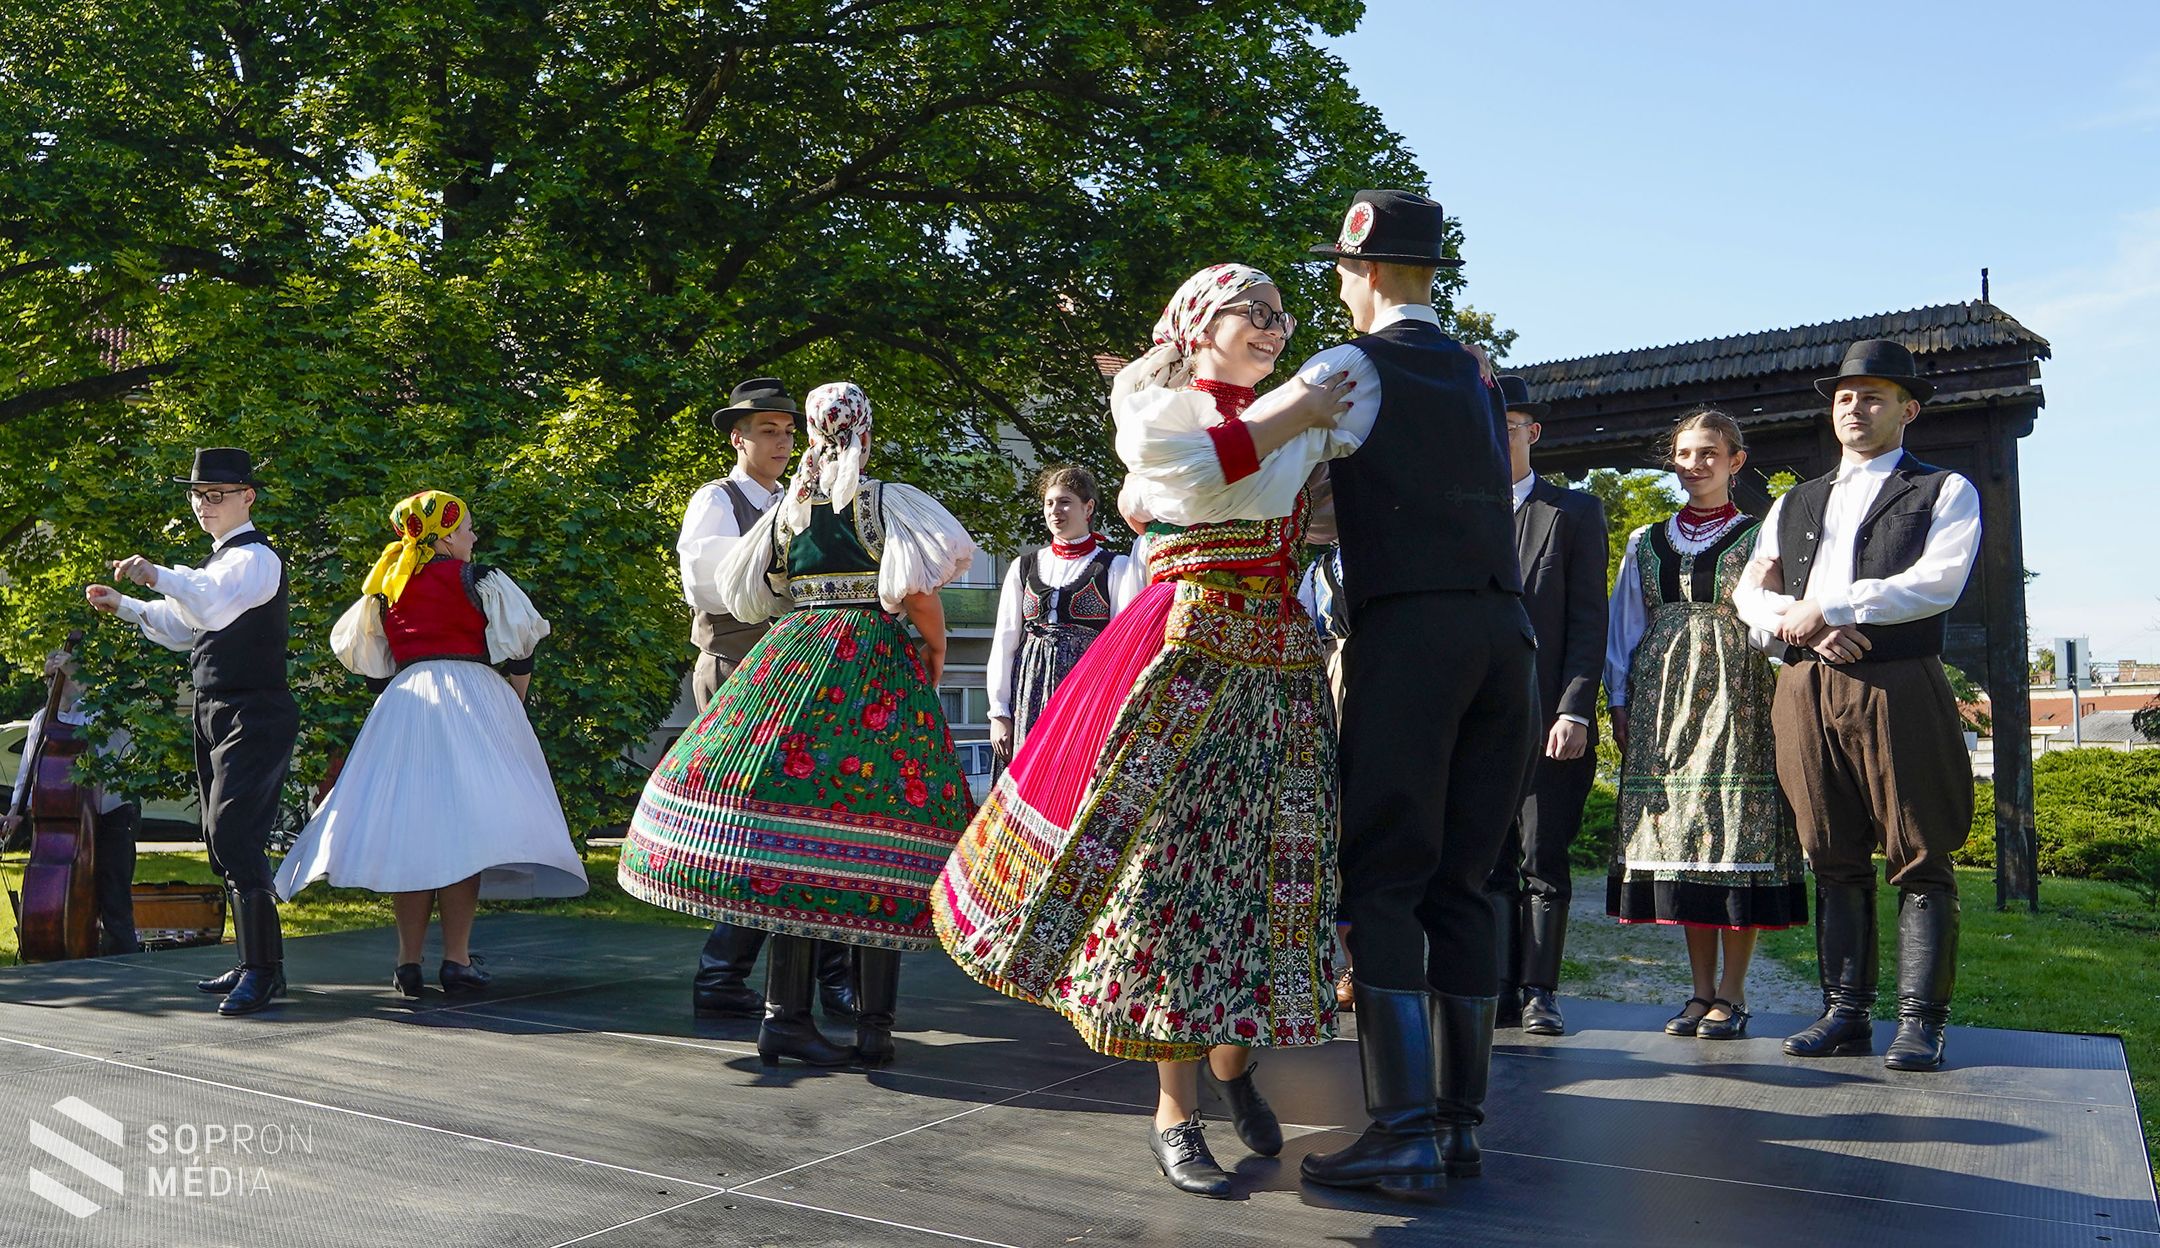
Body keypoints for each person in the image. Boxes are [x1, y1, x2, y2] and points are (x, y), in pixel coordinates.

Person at [935, 263, 1355, 1200]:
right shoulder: (1164, 414)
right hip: (1189, 655)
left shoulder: (1295, 419)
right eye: (1254, 312)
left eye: (1283, 316)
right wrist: (1305, 410)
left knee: (1266, 871)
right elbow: (1213, 470)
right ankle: (1174, 1109)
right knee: (1169, 871)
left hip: (1281, 664)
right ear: (1199, 324)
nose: (1275, 327)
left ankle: (1234, 1063)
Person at [1288, 190, 1538, 1196]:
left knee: (1386, 875)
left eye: (1343, 272)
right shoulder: (1477, 370)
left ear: (1365, 271)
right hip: (1504, 635)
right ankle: (1457, 1128)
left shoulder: (1347, 366)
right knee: (1465, 881)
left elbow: (1268, 465)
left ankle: (1399, 1132)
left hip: (1413, 632)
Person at [620, 381, 976, 1070]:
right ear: (864, 431)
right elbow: (916, 592)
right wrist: (934, 648)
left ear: (812, 432)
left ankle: (784, 1016)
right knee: (881, 827)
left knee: (791, 838)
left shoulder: (789, 508)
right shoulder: (885, 501)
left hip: (792, 662)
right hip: (871, 666)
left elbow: (753, 593)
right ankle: (873, 1025)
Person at [1733, 339, 1980, 1072]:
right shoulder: (1795, 501)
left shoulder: (1943, 490)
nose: (1854, 408)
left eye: (1873, 397)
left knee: (1919, 850)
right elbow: (1749, 591)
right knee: (1830, 851)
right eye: (1845, 397)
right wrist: (1801, 623)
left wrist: (1832, 605)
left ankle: (1921, 1023)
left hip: (1897, 683)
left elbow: (1939, 581)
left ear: (1908, 410)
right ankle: (1844, 1014)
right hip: (1804, 685)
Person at [274, 490, 588, 996]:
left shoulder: (386, 589)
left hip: (407, 704)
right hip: (473, 700)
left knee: (412, 831)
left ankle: (408, 962)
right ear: (444, 537)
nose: (473, 537)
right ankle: (457, 959)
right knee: (464, 833)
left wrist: (401, 698)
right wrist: (514, 700)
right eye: (466, 528)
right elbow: (521, 648)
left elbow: (373, 667)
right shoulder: (481, 579)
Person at [1605, 409, 1806, 1041]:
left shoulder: (1759, 537)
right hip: (1661, 698)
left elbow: (1773, 616)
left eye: (1709, 453)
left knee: (1732, 836)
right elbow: (1625, 625)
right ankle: (1698, 992)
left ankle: (1733, 992)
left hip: (1736, 691)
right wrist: (1619, 699)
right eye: (1685, 454)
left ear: (1735, 461)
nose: (1695, 465)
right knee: (1684, 838)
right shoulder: (1645, 541)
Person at [87, 448, 298, 1016]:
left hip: (254, 710)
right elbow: (185, 626)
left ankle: (263, 971)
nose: (204, 504)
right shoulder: (214, 567)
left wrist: (157, 574)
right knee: (218, 837)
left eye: (216, 495)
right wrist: (126, 605)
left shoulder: (255, 559)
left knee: (234, 833)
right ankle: (256, 961)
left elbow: (205, 599)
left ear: (247, 497)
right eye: (198, 495)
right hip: (215, 708)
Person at [676, 378, 858, 1025]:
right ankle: (734, 975)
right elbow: (713, 586)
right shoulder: (717, 499)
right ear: (738, 437)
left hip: (794, 676)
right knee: (761, 827)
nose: (782, 442)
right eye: (767, 431)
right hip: (738, 670)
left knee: (803, 822)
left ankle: (778, 975)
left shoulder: (799, 498)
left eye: (788, 431)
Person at [1487, 375, 1609, 1036]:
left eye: (1508, 425)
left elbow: (1589, 620)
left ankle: (1539, 991)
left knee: (1542, 858)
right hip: (1476, 723)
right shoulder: (1458, 513)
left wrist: (1575, 710)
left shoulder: (1573, 512)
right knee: (1486, 864)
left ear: (1532, 432)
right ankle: (1496, 990)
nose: (1494, 434)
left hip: (1548, 719)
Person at [985, 464, 1143, 770]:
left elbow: (1123, 647)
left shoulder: (1115, 567)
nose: (1054, 511)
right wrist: (999, 712)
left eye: (1065, 502)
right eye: (1049, 503)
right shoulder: (1024, 566)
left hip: (1086, 696)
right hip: (1027, 696)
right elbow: (1004, 643)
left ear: (1088, 507)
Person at [2, 649, 141, 954]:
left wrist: (79, 676)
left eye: (59, 676)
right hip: (66, 827)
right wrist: (15, 811)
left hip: (111, 816)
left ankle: (126, 964)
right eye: (48, 678)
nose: (51, 684)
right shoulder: (41, 720)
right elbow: (28, 773)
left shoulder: (98, 712)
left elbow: (120, 742)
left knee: (115, 900)